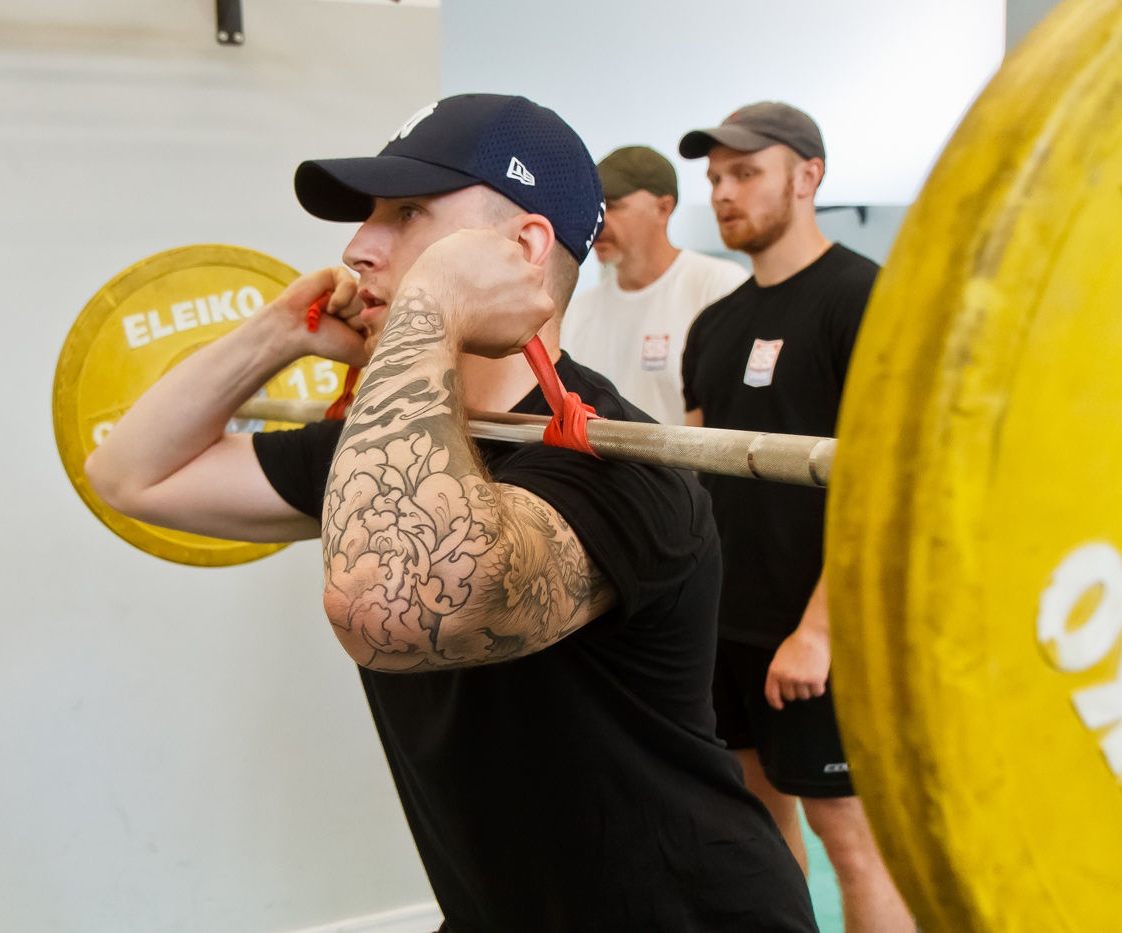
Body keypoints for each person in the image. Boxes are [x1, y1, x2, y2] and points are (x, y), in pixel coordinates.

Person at [86, 94, 817, 932]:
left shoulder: (619, 472)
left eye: (406, 214)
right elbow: (130, 474)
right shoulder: (382, 448)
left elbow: (394, 609)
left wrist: (431, 306)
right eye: (367, 216)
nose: (359, 247)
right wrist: (278, 332)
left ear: (524, 247)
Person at [678, 102, 915, 932]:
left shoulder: (865, 300)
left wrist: (818, 630)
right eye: (714, 178)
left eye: (745, 172)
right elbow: (694, 478)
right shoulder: (714, 324)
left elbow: (885, 488)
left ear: (808, 176)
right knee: (757, 831)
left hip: (819, 630)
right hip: (727, 628)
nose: (723, 192)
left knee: (852, 841)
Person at [562, 146, 746, 424]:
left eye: (611, 206)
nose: (596, 221)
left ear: (663, 208)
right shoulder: (578, 311)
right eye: (593, 207)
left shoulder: (719, 287)